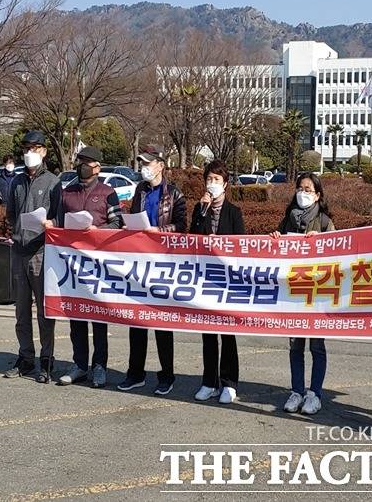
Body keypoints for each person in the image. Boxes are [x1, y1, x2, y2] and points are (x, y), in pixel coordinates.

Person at [52, 146, 122, 389]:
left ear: (97, 167)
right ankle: (79, 364)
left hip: (98, 265)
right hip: (71, 264)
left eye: (87, 162)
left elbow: (118, 222)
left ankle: (99, 366)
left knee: (98, 317)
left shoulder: (108, 192)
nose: (82, 165)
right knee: (76, 316)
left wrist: (97, 231)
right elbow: (58, 222)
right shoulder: (67, 192)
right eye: (80, 161)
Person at [117, 151, 187, 396]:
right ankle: (135, 373)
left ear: (160, 166)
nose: (144, 168)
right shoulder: (140, 190)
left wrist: (158, 229)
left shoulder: (174, 194)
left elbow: (181, 226)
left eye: (147, 164)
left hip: (164, 264)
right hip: (140, 263)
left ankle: (166, 376)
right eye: (141, 164)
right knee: (136, 320)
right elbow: (136, 217)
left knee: (162, 323)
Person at [270, 172, 334, 415]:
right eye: (300, 188)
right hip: (293, 294)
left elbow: (339, 256)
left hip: (316, 296)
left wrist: (324, 240)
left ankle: (314, 394)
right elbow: (275, 253)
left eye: (308, 189)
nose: (303, 193)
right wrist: (275, 239)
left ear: (317, 195)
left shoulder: (325, 222)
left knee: (317, 347)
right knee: (295, 346)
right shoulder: (288, 219)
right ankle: (296, 391)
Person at [3, 131, 62, 383]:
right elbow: (10, 214)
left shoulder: (54, 182)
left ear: (44, 151)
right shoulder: (16, 182)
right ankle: (25, 357)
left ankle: (46, 359)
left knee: (44, 311)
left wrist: (50, 223)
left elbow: (61, 218)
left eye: (35, 148)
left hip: (42, 251)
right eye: (26, 148)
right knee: (21, 310)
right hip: (19, 251)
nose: (30, 153)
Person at [190, 160, 244, 405]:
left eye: (217, 180)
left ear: (225, 184)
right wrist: (202, 211)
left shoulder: (234, 212)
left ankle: (229, 383)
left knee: (227, 333)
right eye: (209, 180)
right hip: (204, 279)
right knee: (208, 334)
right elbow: (191, 238)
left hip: (226, 281)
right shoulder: (199, 208)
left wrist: (220, 243)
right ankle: (208, 381)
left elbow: (241, 244)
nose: (212, 184)